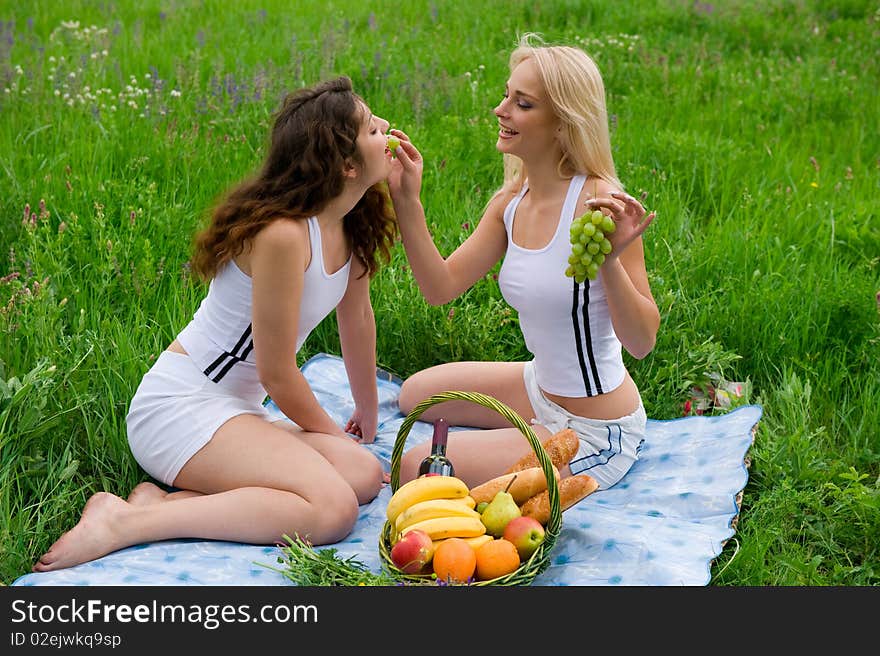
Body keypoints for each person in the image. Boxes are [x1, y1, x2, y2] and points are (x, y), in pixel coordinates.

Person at [34, 76, 398, 572]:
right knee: (332, 511)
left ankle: (164, 504)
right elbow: (276, 373)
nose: (387, 130)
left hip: (237, 410)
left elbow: (357, 318)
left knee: (360, 473)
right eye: (373, 128)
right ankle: (123, 523)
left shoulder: (349, 223)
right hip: (180, 408)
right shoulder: (284, 236)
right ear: (348, 165)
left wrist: (367, 411)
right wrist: (331, 432)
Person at [386, 33, 659, 491]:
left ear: (563, 123)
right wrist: (407, 200)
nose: (500, 110)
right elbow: (440, 289)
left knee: (415, 464)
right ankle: (523, 432)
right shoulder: (512, 202)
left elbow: (642, 342)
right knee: (413, 394)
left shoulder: (602, 207)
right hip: (540, 386)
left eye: (522, 103)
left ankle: (533, 441)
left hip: (593, 427)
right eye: (505, 96)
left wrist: (610, 262)